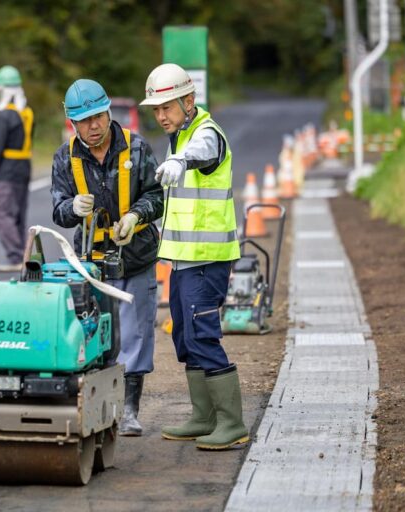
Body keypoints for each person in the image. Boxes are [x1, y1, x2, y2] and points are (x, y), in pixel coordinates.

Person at [139, 63, 249, 451]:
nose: (161, 115)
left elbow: (203, 152)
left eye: (167, 107)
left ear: (189, 101)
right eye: (156, 109)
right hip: (185, 260)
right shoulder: (180, 136)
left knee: (203, 334)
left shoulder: (205, 133)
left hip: (207, 259)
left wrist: (180, 160)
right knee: (185, 336)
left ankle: (232, 423)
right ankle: (204, 417)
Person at [51, 79, 163, 436]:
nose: (94, 126)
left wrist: (135, 217)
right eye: (84, 121)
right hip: (91, 262)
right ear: (73, 123)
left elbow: (157, 196)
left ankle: (129, 410)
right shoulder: (65, 158)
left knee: (136, 334)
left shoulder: (137, 147)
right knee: (94, 334)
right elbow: (58, 211)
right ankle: (98, 408)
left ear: (108, 112)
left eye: (98, 116)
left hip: (137, 256)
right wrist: (72, 207)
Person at [0, 65, 34, 272]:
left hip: (7, 170)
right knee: (19, 214)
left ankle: (16, 256)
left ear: (1, 89)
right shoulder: (27, 113)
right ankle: (23, 255)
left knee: (3, 213)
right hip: (24, 167)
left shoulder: (4, 116)